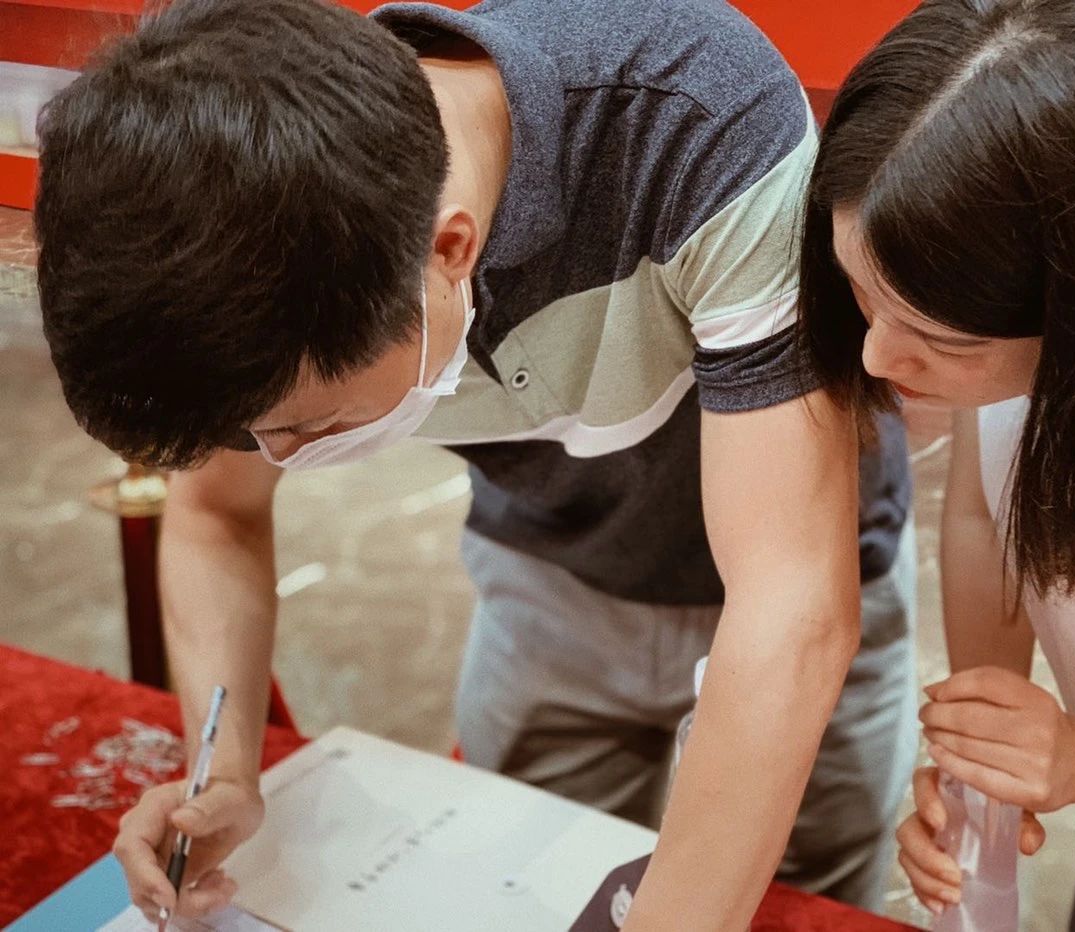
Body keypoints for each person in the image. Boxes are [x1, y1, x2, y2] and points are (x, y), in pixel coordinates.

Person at [35, 0, 917, 926]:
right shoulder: (253, 236)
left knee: (809, 901)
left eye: (306, 427)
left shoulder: (694, 119)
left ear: (448, 251)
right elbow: (216, 510)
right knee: (522, 887)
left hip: (804, 570)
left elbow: (789, 602)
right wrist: (222, 776)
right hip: (547, 574)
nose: (278, 457)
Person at [795, 0, 1075, 928]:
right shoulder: (1024, 346)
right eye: (864, 297)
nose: (877, 356)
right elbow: (984, 517)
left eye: (940, 339)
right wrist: (984, 757)